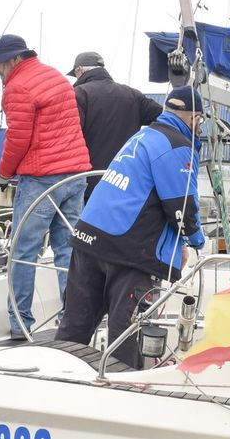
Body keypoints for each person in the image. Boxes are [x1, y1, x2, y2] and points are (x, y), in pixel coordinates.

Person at [57, 85, 206, 369]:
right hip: (128, 252)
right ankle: (121, 395)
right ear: (194, 118)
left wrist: (179, 244)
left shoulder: (142, 136)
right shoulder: (176, 146)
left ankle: (57, 382)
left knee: (73, 329)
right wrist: (196, 240)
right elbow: (181, 207)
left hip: (88, 237)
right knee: (124, 339)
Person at [0, 34, 91, 337]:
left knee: (22, 252)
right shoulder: (55, 76)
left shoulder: (18, 87)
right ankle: (73, 323)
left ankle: (20, 325)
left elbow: (18, 140)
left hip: (42, 180)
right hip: (75, 176)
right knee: (68, 251)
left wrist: (2, 175)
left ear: (14, 59)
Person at [68, 50, 162, 198]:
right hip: (124, 178)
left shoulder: (78, 94)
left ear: (79, 70)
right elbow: (164, 118)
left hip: (88, 180)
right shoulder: (133, 95)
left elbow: (70, 136)